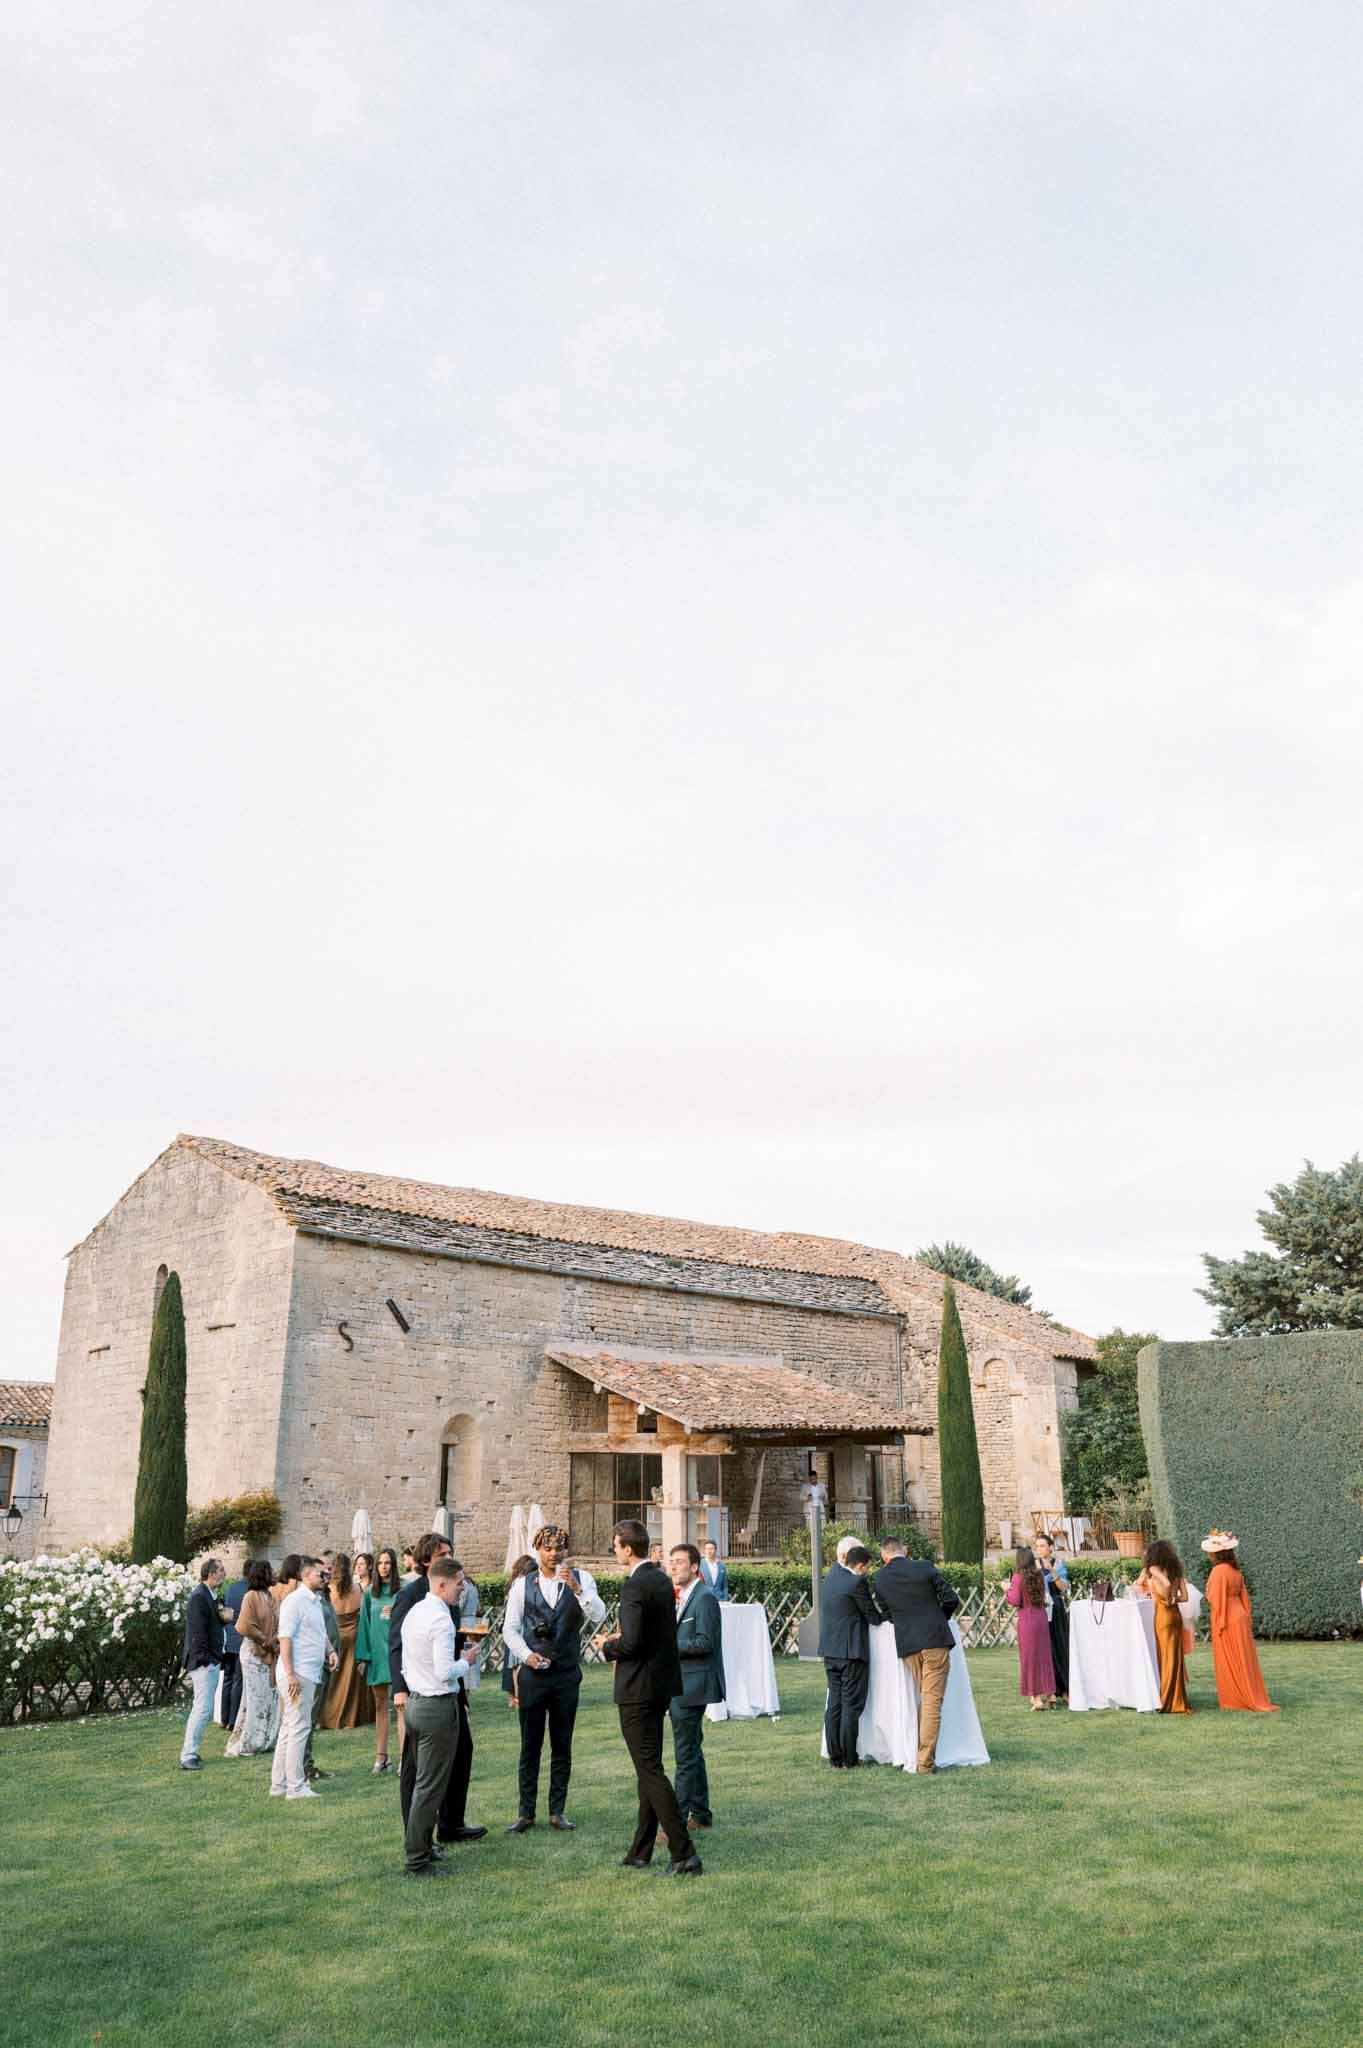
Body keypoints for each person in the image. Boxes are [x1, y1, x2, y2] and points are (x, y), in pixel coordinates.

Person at [604, 1517, 700, 1876]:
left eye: (616, 1545)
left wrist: (607, 1647)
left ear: (628, 1548)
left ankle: (683, 1852)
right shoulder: (660, 1578)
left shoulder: (634, 1586)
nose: (614, 1551)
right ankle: (641, 1850)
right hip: (659, 1686)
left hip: (637, 1689)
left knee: (650, 1770)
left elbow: (631, 1642)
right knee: (649, 1768)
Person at [502, 1524, 606, 1833]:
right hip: (533, 1676)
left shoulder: (583, 1579)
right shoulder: (522, 1585)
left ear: (565, 1550)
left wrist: (578, 1590)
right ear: (538, 1550)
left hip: (566, 1675)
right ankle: (526, 1813)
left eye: (559, 1548)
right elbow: (509, 1628)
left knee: (562, 1744)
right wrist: (526, 1655)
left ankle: (557, 1812)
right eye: (547, 1548)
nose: (553, 1554)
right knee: (530, 1745)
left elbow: (599, 1615)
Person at [390, 1534, 487, 1851]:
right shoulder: (413, 1596)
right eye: (443, 1554)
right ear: (427, 1561)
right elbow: (398, 1645)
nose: (449, 1557)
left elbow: (446, 1647)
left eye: (451, 1552)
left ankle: (451, 1823)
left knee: (462, 1751)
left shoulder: (448, 1599)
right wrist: (400, 1689)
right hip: (425, 1692)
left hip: (445, 1688)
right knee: (419, 1773)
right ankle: (418, 1840)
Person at [872, 1539, 960, 1773]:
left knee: (926, 1698)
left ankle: (918, 1752)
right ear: (905, 1550)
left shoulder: (880, 1578)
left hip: (909, 1645)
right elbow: (951, 1598)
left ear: (884, 1556)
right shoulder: (924, 1567)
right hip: (935, 1641)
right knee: (932, 1701)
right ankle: (925, 1762)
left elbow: (888, 1614)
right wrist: (940, 1618)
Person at [270, 1557, 338, 1801]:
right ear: (306, 1574)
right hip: (298, 1674)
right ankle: (295, 1787)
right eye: (321, 1574)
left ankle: (279, 1784)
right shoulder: (294, 1601)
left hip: (308, 1672)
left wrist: (330, 1651)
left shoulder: (315, 1600)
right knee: (299, 1728)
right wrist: (291, 1675)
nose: (325, 1577)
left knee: (290, 1727)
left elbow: (319, 1632)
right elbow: (285, 1638)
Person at [669, 1543, 725, 1829]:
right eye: (671, 1561)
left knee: (685, 1756)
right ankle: (701, 1815)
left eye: (679, 1561)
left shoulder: (704, 1598)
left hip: (693, 1685)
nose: (673, 1566)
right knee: (692, 1750)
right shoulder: (683, 1596)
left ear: (694, 1567)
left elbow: (706, 1642)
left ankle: (676, 1824)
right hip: (681, 1683)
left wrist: (669, 1645)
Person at [818, 1543, 887, 1768]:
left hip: (830, 1651)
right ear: (859, 1566)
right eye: (867, 1567)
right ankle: (849, 1757)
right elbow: (872, 1616)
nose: (868, 1571)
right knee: (850, 1706)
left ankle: (835, 1756)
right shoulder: (856, 1583)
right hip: (851, 1653)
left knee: (834, 1704)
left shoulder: (830, 1579)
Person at [1201, 1532, 1279, 1712]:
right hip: (1239, 1614)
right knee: (1244, 1657)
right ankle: (1247, 1692)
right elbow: (1243, 1596)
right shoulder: (1235, 1571)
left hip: (1228, 1617)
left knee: (1230, 1657)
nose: (1209, 1555)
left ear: (1217, 1554)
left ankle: (1236, 1697)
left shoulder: (1219, 1571)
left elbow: (1214, 1597)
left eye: (1211, 1552)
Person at [226, 1559, 281, 1756]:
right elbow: (245, 1626)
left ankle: (266, 1739)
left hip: (270, 1653)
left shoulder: (270, 1596)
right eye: (270, 1571)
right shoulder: (250, 1596)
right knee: (256, 1699)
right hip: (253, 1656)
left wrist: (275, 1640)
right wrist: (266, 1641)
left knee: (269, 1697)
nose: (274, 1573)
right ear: (263, 1574)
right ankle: (251, 1742)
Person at [356, 1546, 403, 1771]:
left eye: (388, 1563)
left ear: (394, 1566)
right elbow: (364, 1626)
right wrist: (362, 1658)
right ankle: (381, 1757)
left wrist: (395, 1613)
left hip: (398, 1652)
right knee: (380, 1705)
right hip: (377, 1655)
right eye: (381, 1563)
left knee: (402, 1706)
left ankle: (405, 1758)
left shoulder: (403, 1591)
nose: (384, 1567)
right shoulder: (369, 1594)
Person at [179, 1557, 230, 1771]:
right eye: (221, 1570)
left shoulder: (209, 1595)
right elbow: (197, 1633)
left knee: (203, 1708)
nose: (224, 1573)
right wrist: (207, 1660)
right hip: (204, 1663)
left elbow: (210, 1625)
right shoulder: (199, 1596)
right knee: (202, 1709)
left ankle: (191, 1752)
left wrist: (223, 1620)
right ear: (211, 1573)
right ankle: (188, 1755)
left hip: (211, 1660)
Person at [1134, 1541, 1192, 1715]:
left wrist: (1164, 1596)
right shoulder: (1176, 1571)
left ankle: (1167, 1700)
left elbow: (1165, 1584)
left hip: (1163, 1616)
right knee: (1175, 1657)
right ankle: (1178, 1698)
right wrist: (1173, 1599)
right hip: (1176, 1615)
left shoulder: (1154, 1569)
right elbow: (1185, 1597)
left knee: (1166, 1658)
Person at [318, 1553, 375, 1729]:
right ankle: (353, 1716)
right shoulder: (358, 1589)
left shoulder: (328, 1590)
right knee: (352, 1680)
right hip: (354, 1637)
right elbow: (365, 1614)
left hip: (335, 1637)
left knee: (333, 1679)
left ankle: (329, 1717)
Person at [1005, 1547, 1056, 1709]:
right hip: (1041, 1618)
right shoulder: (1039, 1575)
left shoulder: (1017, 1577)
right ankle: (1051, 1694)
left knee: (1030, 1659)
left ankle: (1036, 1698)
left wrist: (1006, 1590)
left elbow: (1015, 1600)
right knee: (1044, 1657)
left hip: (1027, 1620)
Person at [1034, 1533, 1070, 1702]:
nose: (1039, 1549)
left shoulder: (1059, 1564)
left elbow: (1063, 1588)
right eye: (1037, 1546)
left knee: (1060, 1648)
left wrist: (1052, 1571)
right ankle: (1049, 1690)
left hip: (1057, 1610)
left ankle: (1065, 1689)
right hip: (1040, 1611)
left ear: (1050, 1547)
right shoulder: (1033, 1565)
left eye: (1042, 1546)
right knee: (1045, 1650)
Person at [501, 1553, 538, 1709]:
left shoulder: (516, 1583)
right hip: (519, 1626)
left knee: (516, 1665)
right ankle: (518, 1697)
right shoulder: (520, 1585)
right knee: (518, 1664)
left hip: (520, 1626)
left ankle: (517, 1697)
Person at [219, 1561, 249, 1730]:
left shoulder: (230, 1588)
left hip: (229, 1637)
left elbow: (226, 1613)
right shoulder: (250, 1590)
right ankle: (233, 1720)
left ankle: (224, 1718)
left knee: (228, 1679)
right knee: (238, 1679)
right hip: (241, 1638)